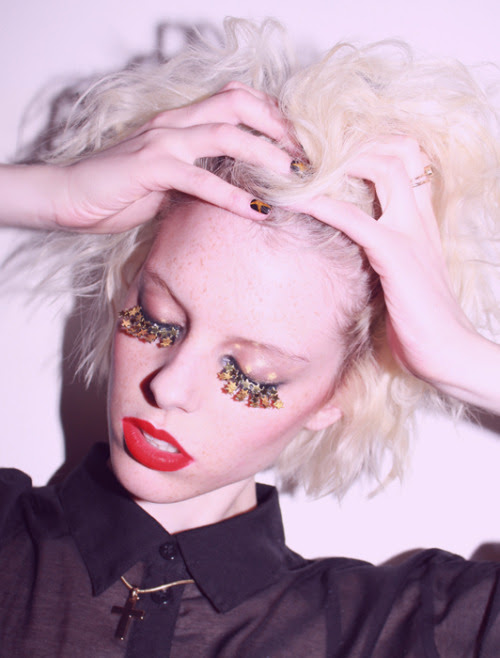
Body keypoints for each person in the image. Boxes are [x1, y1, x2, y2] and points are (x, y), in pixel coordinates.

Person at [1, 17, 500, 657]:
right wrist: (48, 194)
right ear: (127, 285)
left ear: (336, 394)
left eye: (251, 372)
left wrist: (460, 356)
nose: (169, 386)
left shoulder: (390, 631)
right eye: (158, 317)